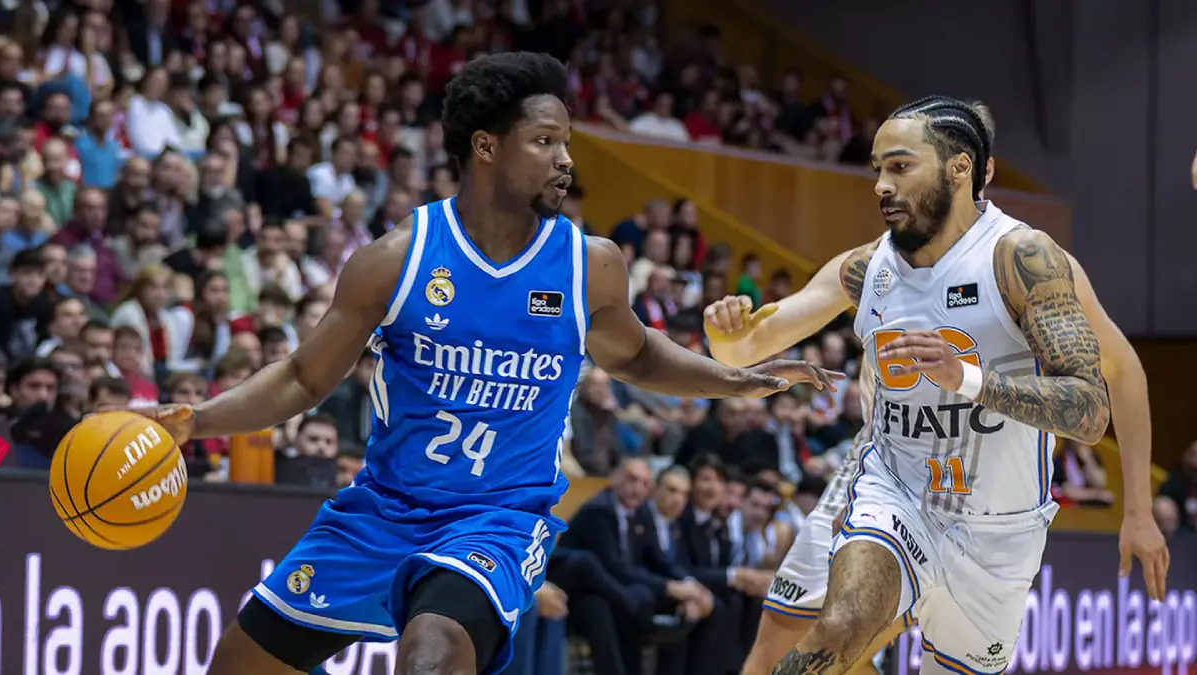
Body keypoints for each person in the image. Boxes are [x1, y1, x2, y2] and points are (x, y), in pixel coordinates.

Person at [141, 52, 842, 675]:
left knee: (431, 653)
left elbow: (637, 353)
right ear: (485, 146)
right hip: (383, 509)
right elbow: (303, 377)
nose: (565, 159)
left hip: (497, 518)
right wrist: (195, 419)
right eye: (544, 141)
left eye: (566, 142)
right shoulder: (397, 259)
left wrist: (735, 377)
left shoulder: (587, 263)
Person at [706, 96, 1170, 675]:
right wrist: (723, 333)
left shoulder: (1024, 260)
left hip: (997, 522)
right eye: (877, 168)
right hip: (895, 487)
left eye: (898, 166)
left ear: (964, 169)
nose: (879, 184)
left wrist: (1139, 511)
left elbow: (1102, 395)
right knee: (831, 628)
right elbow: (744, 347)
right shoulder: (867, 266)